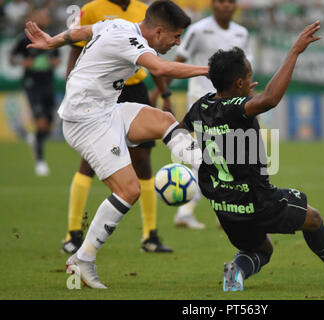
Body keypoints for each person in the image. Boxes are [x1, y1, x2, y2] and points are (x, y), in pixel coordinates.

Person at [25, 0, 208, 288]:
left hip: (107, 111)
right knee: (129, 190)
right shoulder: (129, 39)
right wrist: (208, 70)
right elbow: (160, 68)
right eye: (175, 37)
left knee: (163, 120)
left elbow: (81, 32)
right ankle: (83, 258)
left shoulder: (118, 24)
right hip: (85, 122)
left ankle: (209, 169)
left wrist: (52, 41)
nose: (177, 42)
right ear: (159, 31)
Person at [175, 22, 324, 292]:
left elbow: (183, 131)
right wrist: (295, 51)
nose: (253, 81)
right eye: (249, 76)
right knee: (313, 219)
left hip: (225, 207)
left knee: (261, 248)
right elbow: (270, 99)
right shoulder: (237, 108)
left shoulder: (200, 106)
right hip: (257, 200)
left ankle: (237, 271)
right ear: (239, 82)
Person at [61, 0, 173, 255]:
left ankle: (150, 235)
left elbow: (152, 56)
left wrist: (165, 94)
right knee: (88, 163)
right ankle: (73, 233)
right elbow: (76, 48)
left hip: (134, 87)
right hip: (100, 89)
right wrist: (72, 85)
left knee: (143, 161)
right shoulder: (92, 9)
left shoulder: (144, 11)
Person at [152, 0, 252, 230]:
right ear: (213, 5)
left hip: (231, 103)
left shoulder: (242, 33)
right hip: (202, 101)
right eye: (221, 1)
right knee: (211, 161)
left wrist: (249, 98)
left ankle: (205, 211)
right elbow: (178, 60)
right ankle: (214, 211)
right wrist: (161, 92)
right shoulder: (198, 30)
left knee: (226, 160)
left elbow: (245, 70)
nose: (226, 6)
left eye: (230, 2)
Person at [10, 8, 60, 176]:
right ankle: (40, 161)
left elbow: (57, 57)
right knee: (40, 121)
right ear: (33, 18)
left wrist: (54, 61)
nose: (45, 18)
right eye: (41, 15)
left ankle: (36, 138)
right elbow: (12, 58)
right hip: (32, 85)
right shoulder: (24, 39)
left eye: (46, 15)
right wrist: (24, 62)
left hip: (48, 84)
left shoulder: (52, 37)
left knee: (48, 125)